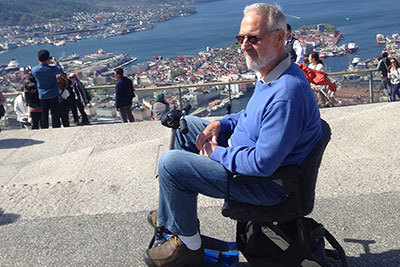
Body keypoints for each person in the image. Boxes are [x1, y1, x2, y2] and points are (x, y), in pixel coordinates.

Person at [144, 4, 322, 267]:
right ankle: (174, 216)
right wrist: (221, 124)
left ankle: (189, 247)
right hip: (249, 161)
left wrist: (217, 154)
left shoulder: (286, 93)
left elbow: (263, 164)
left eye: (253, 38)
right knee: (186, 127)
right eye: (241, 38)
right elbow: (251, 117)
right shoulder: (273, 74)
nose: (244, 46)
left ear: (279, 38)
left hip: (263, 184)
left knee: (171, 165)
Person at [31, 50, 63, 128]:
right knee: (55, 113)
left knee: (44, 113)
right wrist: (55, 62)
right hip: (53, 93)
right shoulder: (52, 69)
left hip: (42, 94)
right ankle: (56, 127)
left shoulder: (35, 70)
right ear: (48, 59)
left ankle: (44, 127)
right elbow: (60, 70)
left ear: (38, 59)